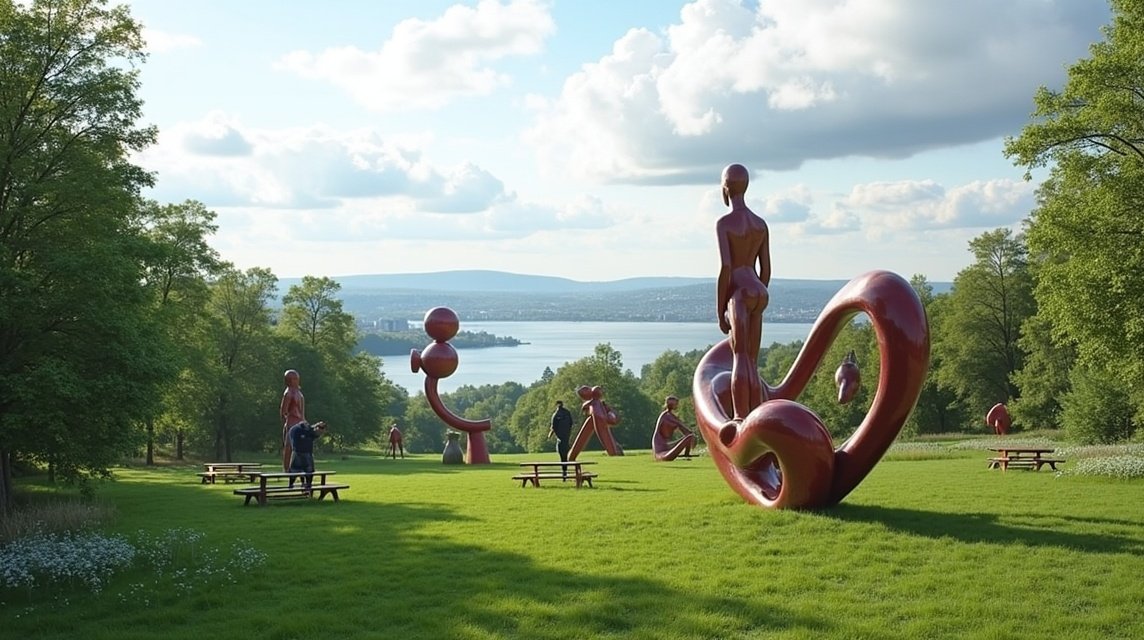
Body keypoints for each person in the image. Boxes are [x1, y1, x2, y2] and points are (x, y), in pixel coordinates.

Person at [715, 163, 771, 420]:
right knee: (752, 359)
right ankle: (757, 412)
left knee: (739, 357)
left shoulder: (725, 223)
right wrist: (758, 292)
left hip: (738, 292)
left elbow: (727, 266)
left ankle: (740, 417)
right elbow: (766, 268)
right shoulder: (760, 224)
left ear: (726, 188)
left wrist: (720, 310)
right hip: (758, 290)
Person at [653, 395, 697, 462]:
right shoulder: (666, 415)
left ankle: (686, 454)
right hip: (661, 448)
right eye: (676, 404)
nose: (677, 406)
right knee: (690, 437)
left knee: (690, 437)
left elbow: (684, 430)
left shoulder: (671, 416)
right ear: (671, 405)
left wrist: (690, 435)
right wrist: (691, 435)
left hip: (667, 445)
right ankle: (686, 455)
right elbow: (681, 426)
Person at [287, 420, 327, 489]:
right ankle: (292, 485)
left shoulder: (309, 432)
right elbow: (313, 431)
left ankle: (308, 486)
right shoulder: (299, 430)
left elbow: (314, 433)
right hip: (299, 452)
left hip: (305, 452)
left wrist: (317, 426)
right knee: (296, 470)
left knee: (308, 471)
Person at [280, 369, 306, 471]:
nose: (296, 381)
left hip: (300, 423)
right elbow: (283, 411)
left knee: (301, 448)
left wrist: (304, 421)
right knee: (289, 447)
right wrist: (287, 423)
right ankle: (287, 469)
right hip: (292, 423)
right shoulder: (289, 393)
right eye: (294, 379)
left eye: (297, 378)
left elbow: (302, 411)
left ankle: (300, 467)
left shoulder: (298, 392)